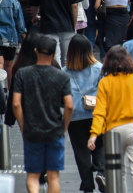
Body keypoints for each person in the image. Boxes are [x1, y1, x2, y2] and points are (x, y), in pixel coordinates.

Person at [12, 35, 73, 193]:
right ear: (53, 54)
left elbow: (16, 103)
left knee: (32, 176)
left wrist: (23, 125)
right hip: (54, 131)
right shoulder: (62, 76)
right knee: (53, 176)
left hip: (32, 130)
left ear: (35, 51)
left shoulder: (22, 74)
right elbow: (69, 105)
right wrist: (64, 127)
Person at [88, 46, 133, 193]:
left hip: (113, 132)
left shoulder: (105, 83)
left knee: (117, 172)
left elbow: (100, 111)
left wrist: (94, 134)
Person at [63, 35, 105, 193]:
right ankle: (101, 172)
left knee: (81, 152)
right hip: (96, 114)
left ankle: (87, 185)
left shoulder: (64, 72)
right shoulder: (98, 68)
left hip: (75, 117)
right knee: (99, 146)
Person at [0, 0, 26, 86]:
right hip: (9, 37)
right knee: (8, 65)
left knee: (0, 64)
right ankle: (9, 92)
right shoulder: (12, 1)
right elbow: (19, 22)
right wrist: (23, 35)